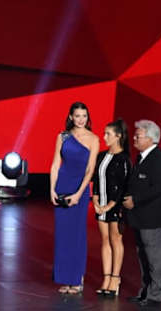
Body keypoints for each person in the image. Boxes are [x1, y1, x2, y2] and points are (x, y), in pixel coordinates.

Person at [50, 101, 99, 294]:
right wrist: (52, 190)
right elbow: (55, 165)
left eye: (84, 116)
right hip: (62, 185)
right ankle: (65, 278)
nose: (81, 119)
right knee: (63, 235)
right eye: (77, 116)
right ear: (71, 117)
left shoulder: (93, 139)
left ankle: (77, 279)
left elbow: (90, 169)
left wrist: (79, 194)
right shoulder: (62, 137)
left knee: (77, 234)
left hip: (80, 188)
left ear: (88, 118)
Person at [123, 120, 161, 307]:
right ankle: (145, 292)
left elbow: (159, 188)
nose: (134, 138)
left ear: (151, 139)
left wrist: (135, 200)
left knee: (155, 259)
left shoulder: (158, 159)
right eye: (135, 135)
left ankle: (155, 295)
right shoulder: (141, 157)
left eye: (138, 136)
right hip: (141, 218)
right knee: (144, 258)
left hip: (154, 219)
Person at [92, 119, 131, 297]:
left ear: (118, 136)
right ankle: (106, 277)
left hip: (115, 206)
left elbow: (124, 185)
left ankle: (115, 278)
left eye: (108, 134)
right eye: (105, 133)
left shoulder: (124, 159)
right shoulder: (101, 156)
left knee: (116, 239)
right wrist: (95, 201)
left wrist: (109, 205)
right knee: (105, 239)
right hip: (101, 205)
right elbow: (96, 180)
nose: (104, 136)